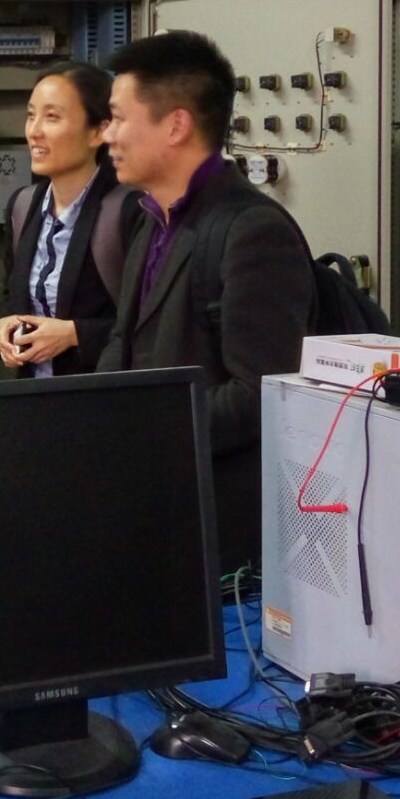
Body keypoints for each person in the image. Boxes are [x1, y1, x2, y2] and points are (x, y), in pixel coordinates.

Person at [97, 30, 315, 573]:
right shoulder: (151, 218)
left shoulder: (251, 230)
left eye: (118, 118)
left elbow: (262, 391)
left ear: (176, 125)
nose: (107, 135)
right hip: (154, 507)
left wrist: (145, 430)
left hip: (224, 531)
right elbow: (123, 343)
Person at [0, 62, 137, 376]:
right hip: (34, 394)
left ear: (98, 131)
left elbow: (150, 325)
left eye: (52, 117)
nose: (34, 131)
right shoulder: (22, 205)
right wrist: (3, 323)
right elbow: (11, 296)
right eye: (31, 115)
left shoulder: (129, 210)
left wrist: (74, 335)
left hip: (97, 394)